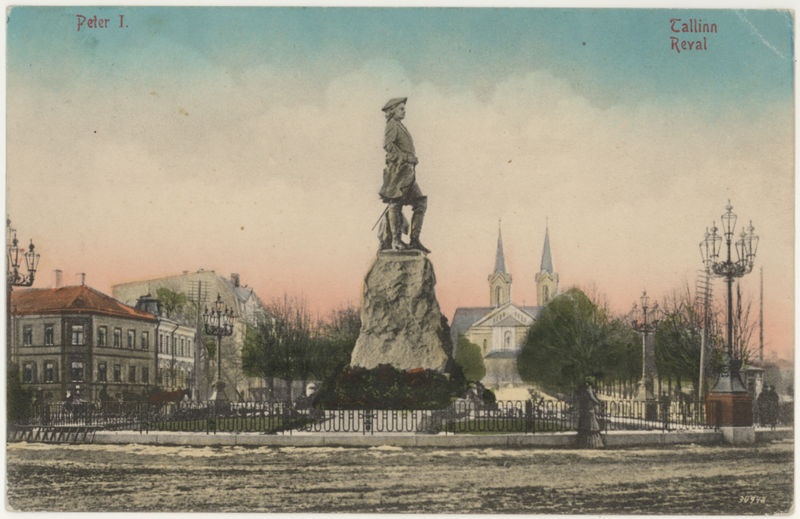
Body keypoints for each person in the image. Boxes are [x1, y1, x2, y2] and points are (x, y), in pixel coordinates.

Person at [379, 97, 429, 253]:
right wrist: (407, 158)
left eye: (403, 108)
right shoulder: (392, 125)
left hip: (408, 172)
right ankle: (395, 240)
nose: (404, 111)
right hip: (398, 172)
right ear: (392, 111)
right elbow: (387, 146)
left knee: (420, 202)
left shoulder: (400, 125)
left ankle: (414, 240)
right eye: (401, 108)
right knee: (396, 204)